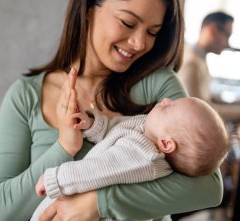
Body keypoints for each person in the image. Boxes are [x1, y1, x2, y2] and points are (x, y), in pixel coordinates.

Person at [0, 0, 225, 221]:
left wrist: (100, 203)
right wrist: (64, 147)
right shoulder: (28, 95)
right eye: (128, 23)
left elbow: (209, 188)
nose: (140, 43)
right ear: (88, 8)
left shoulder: (159, 88)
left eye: (152, 32)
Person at [31, 80, 229, 221]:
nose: (166, 100)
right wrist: (92, 125)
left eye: (170, 108)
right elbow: (115, 130)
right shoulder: (146, 129)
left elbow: (97, 170)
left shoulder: (143, 156)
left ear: (167, 144)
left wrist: (55, 179)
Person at [178, 11, 240, 122]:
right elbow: (200, 112)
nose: (227, 44)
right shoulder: (192, 64)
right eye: (227, 35)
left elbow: (206, 98)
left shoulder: (199, 57)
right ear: (212, 30)